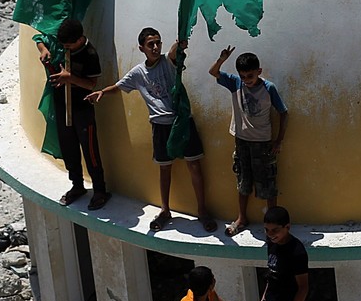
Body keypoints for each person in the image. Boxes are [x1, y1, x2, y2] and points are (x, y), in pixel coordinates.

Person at [88, 28, 217, 233]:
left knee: (194, 166)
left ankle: (202, 211)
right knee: (164, 169)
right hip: (160, 126)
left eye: (158, 42)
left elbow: (175, 51)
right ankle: (165, 210)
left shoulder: (168, 61)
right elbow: (120, 86)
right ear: (142, 48)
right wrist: (102, 92)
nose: (156, 47)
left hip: (181, 122)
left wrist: (180, 43)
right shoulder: (139, 72)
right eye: (151, 44)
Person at [209, 48, 288, 236]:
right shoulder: (235, 83)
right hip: (241, 141)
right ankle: (241, 218)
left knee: (267, 183)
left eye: (250, 76)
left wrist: (278, 140)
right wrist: (221, 59)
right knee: (243, 181)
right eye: (243, 76)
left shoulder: (269, 88)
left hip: (262, 142)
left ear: (259, 71)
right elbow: (213, 72)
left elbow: (283, 113)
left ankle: (272, 222)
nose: (246, 80)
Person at [37, 17, 109, 210]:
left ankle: (100, 190)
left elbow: (91, 84)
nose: (65, 48)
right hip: (62, 106)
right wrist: (44, 50)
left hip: (82, 108)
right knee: (69, 147)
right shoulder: (63, 46)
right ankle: (77, 185)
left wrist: (70, 78)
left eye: (69, 45)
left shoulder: (89, 54)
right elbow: (40, 38)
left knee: (90, 150)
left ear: (79, 39)